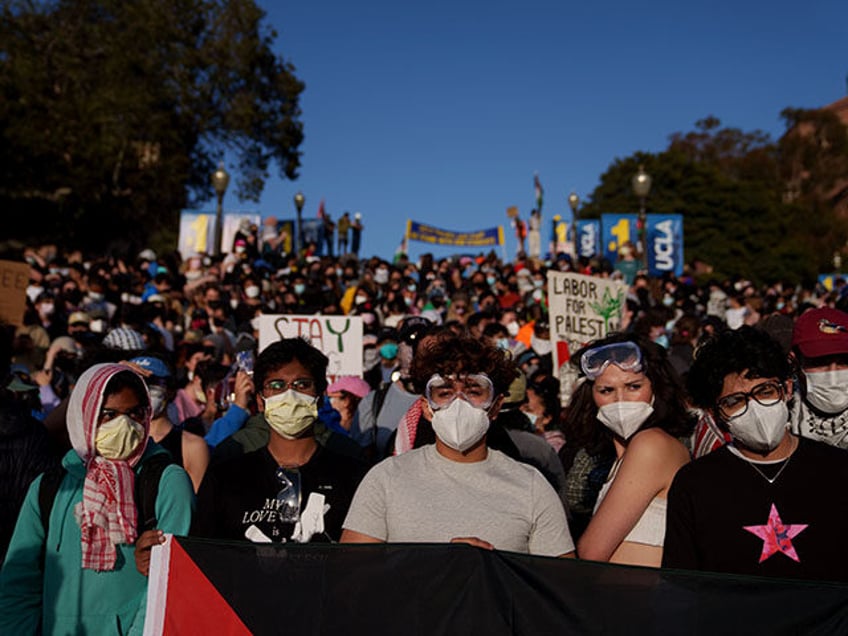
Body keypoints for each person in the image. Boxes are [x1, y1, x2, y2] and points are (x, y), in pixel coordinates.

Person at [0, 363, 194, 634]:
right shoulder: (51, 486)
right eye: (109, 414)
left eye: (135, 413)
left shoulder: (166, 481)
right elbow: (18, 583)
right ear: (85, 415)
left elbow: (168, 588)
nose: (124, 425)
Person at [341, 333, 575, 557]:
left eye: (474, 391)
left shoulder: (532, 487)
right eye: (445, 392)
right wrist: (438, 564)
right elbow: (354, 577)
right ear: (426, 407)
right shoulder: (385, 479)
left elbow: (558, 583)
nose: (459, 403)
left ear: (495, 406)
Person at [663, 326, 848, 581]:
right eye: (735, 401)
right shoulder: (694, 484)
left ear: (786, 389)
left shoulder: (838, 469)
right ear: (717, 415)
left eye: (765, 391)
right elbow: (681, 586)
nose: (755, 409)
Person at [191, 338, 368, 543]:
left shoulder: (354, 476)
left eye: (302, 384)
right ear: (260, 400)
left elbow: (364, 562)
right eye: (276, 385)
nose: (289, 394)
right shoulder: (225, 477)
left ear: (319, 398)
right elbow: (200, 556)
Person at [571, 334, 693, 567]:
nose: (620, 400)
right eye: (606, 390)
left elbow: (591, 551)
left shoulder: (651, 444)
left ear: (657, 388)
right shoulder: (620, 458)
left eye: (633, 387)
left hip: (643, 599)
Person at [129, 355, 210, 492]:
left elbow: (198, 505)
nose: (144, 390)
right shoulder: (115, 440)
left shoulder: (191, 446)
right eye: (135, 383)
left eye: (152, 383)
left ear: (170, 390)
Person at [789, 307, 848, 449]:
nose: (833, 375)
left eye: (844, 361)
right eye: (820, 361)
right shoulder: (780, 419)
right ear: (795, 362)